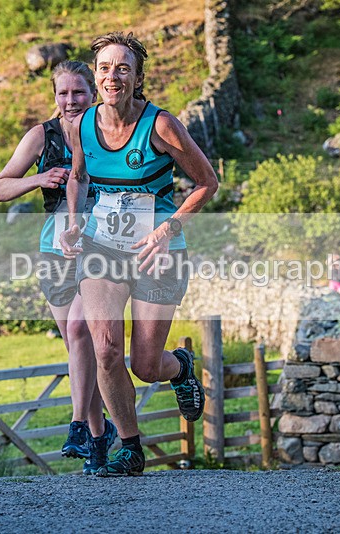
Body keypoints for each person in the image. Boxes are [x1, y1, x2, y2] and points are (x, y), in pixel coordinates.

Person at [59, 32, 219, 476]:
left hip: (157, 251)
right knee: (105, 348)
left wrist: (169, 228)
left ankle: (180, 366)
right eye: (105, 68)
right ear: (96, 76)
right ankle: (129, 448)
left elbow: (207, 182)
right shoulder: (81, 125)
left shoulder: (161, 125)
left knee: (145, 366)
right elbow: (77, 176)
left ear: (137, 77)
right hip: (102, 248)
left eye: (123, 68)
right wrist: (73, 220)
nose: (113, 76)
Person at [0, 60, 116, 474]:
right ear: (54, 96)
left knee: (82, 330)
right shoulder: (40, 135)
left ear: (93, 93)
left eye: (78, 92)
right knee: (79, 348)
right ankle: (99, 442)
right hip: (53, 248)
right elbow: (0, 186)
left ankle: (79, 425)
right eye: (62, 93)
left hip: (101, 242)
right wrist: (37, 179)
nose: (70, 100)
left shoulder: (108, 131)